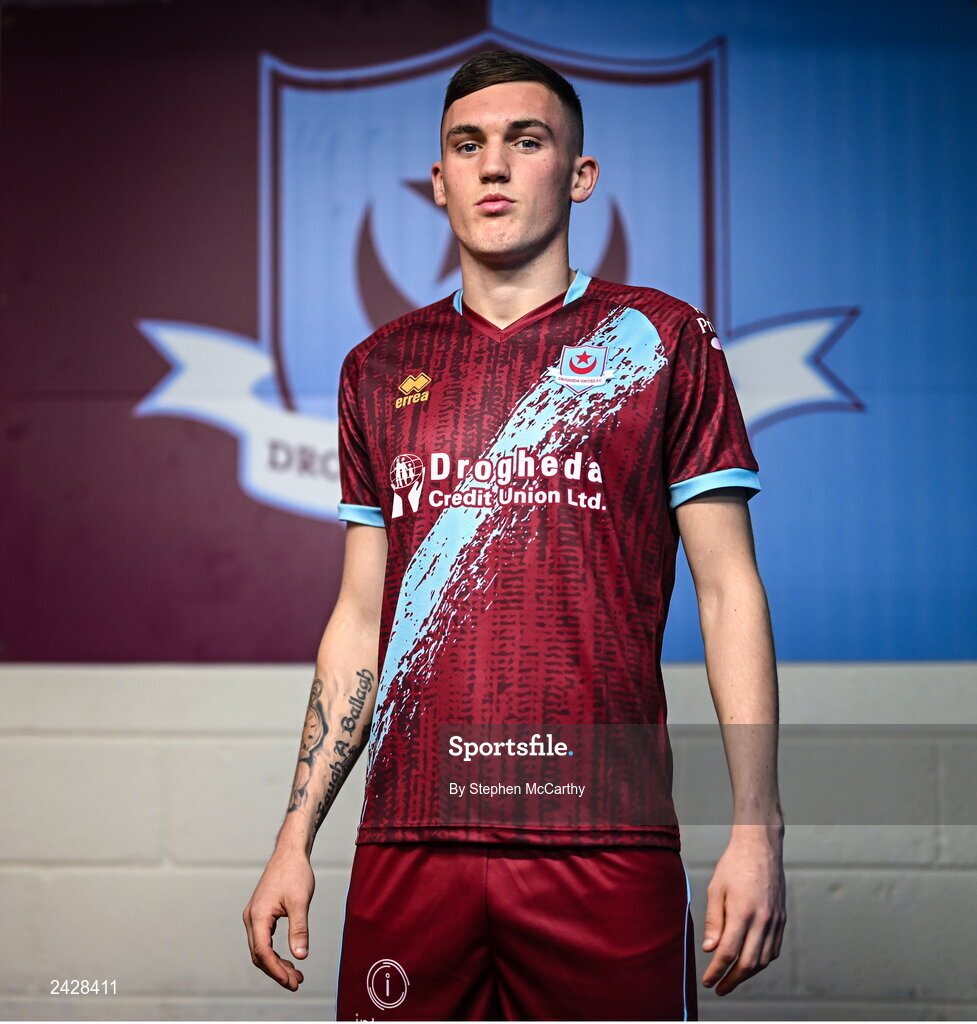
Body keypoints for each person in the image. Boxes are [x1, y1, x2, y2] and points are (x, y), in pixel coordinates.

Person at [243, 49, 786, 1021]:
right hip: (410, 840)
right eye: (468, 144)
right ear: (438, 180)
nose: (493, 166)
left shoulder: (661, 340)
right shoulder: (378, 365)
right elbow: (360, 616)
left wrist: (756, 826)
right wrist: (295, 833)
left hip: (601, 841)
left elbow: (726, 591)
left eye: (524, 141)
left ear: (576, 175)